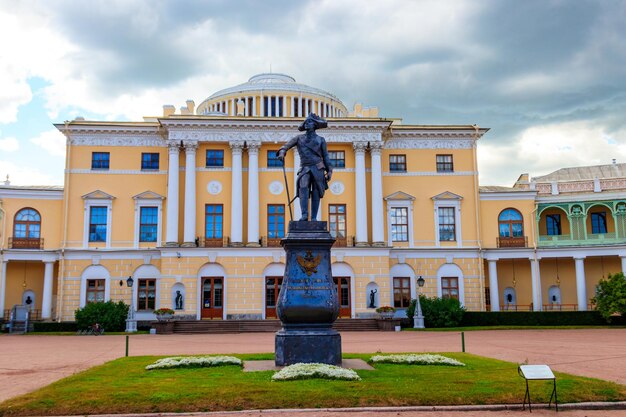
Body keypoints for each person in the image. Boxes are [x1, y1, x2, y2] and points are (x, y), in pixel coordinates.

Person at [278, 113, 332, 221]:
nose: (307, 124)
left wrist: (330, 170)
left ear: (315, 125)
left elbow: (325, 156)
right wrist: (282, 152)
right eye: (306, 122)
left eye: (310, 122)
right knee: (303, 187)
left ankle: (314, 218)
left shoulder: (321, 140)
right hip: (305, 167)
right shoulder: (299, 138)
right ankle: (304, 215)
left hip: (318, 167)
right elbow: (286, 146)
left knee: (316, 191)